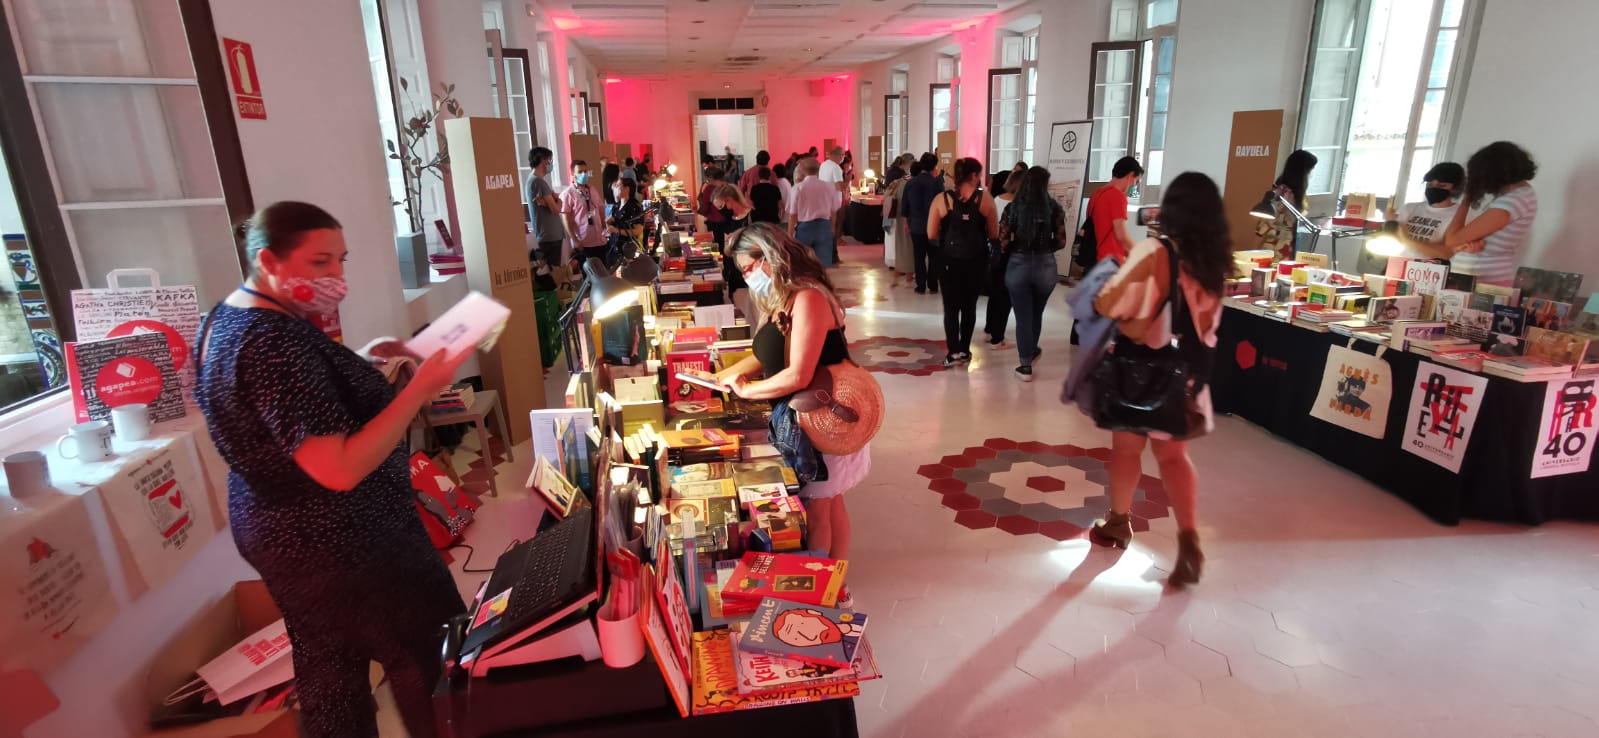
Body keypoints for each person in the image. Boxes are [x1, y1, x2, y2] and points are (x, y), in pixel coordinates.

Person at [195, 202, 470, 738]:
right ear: (268, 259)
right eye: (320, 262)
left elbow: (286, 410)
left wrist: (365, 364)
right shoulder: (272, 341)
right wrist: (418, 389)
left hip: (275, 530)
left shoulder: (231, 316)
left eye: (341, 260)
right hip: (340, 538)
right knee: (428, 649)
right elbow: (339, 468)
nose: (336, 277)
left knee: (328, 660)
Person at [713, 223, 869, 604]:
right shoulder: (785, 296)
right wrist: (722, 376)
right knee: (829, 505)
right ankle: (835, 582)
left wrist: (748, 390)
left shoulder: (809, 299)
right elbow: (766, 353)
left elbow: (798, 373)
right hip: (807, 422)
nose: (748, 278)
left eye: (749, 269)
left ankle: (826, 592)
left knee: (820, 513)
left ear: (768, 258)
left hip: (825, 424)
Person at [1089, 172, 1230, 587]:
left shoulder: (1155, 252)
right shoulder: (1214, 261)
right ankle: (1188, 541)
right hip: (1187, 371)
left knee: (1127, 451)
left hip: (1141, 370)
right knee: (1174, 458)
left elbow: (1111, 302)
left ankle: (1117, 522)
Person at [927, 157, 999, 367]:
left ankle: (953, 352)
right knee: (969, 307)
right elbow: (993, 233)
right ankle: (966, 350)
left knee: (950, 308)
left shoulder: (942, 199)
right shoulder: (985, 199)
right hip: (976, 261)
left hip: (948, 261)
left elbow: (931, 233)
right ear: (975, 176)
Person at [1000, 166, 1069, 382]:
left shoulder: (1012, 209)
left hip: (1018, 264)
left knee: (1022, 316)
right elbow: (1061, 241)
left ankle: (1025, 365)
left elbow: (1002, 241)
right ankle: (1031, 349)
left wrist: (1014, 249)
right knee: (1036, 313)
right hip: (1045, 265)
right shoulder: (1054, 209)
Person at [1444, 141, 1539, 286]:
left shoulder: (1511, 201)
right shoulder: (1516, 195)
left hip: (1485, 281)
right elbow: (1456, 242)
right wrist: (1460, 246)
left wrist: (1467, 199)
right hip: (1477, 276)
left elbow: (1452, 239)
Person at [1387, 162, 1466, 259]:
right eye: (1430, 184)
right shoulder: (1408, 208)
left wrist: (1407, 240)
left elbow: (1445, 252)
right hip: (1397, 263)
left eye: (1441, 185)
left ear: (1455, 188)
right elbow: (1392, 238)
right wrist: (1390, 223)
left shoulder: (1461, 214)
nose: (1434, 188)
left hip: (1429, 269)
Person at [1257, 149, 1318, 260]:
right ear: (1303, 172)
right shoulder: (1283, 194)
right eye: (1310, 171)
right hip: (1278, 251)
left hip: (1285, 248)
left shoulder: (1293, 194)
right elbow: (1262, 228)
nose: (1311, 175)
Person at [901, 153, 944, 293]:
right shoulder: (937, 183)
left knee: (918, 256)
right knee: (934, 257)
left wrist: (906, 223)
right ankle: (933, 285)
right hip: (934, 226)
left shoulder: (911, 183)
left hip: (916, 224)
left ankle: (920, 285)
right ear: (934, 166)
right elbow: (941, 205)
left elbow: (905, 206)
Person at [1088, 156, 1144, 263]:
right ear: (1131, 175)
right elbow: (1121, 234)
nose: (1135, 185)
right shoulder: (1118, 196)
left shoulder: (1097, 193)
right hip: (1110, 261)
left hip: (1093, 257)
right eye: (1136, 181)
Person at [713, 183, 756, 319]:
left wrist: (738, 235)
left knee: (753, 310)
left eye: (721, 206)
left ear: (729, 200)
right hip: (733, 271)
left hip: (751, 269)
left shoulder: (753, 216)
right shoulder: (726, 221)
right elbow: (725, 250)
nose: (720, 210)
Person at [983, 170, 1016, 351]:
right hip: (1008, 252)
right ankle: (998, 336)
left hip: (994, 249)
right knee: (1004, 295)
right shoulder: (1016, 204)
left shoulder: (995, 200)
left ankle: (990, 329)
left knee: (995, 292)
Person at [787, 158, 839, 267]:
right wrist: (833, 227)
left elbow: (793, 214)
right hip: (824, 226)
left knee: (804, 263)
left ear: (802, 170)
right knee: (823, 264)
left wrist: (790, 233)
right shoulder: (829, 186)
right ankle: (822, 283)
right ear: (818, 170)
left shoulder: (798, 188)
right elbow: (834, 210)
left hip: (804, 228)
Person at [562, 159, 609, 265]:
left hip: (599, 239)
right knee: (589, 274)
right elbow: (566, 219)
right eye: (580, 172)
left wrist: (604, 227)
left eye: (585, 171)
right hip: (583, 241)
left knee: (604, 270)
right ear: (573, 174)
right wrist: (574, 239)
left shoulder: (592, 189)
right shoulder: (568, 194)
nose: (583, 174)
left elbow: (600, 209)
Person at [526, 146, 565, 266]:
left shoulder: (534, 181)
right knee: (553, 273)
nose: (551, 164)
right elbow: (556, 208)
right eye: (550, 160)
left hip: (549, 235)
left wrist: (552, 199)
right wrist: (559, 200)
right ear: (544, 160)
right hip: (550, 236)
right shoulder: (538, 182)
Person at [883, 159, 917, 281]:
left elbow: (887, 195)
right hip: (911, 219)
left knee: (901, 245)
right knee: (910, 247)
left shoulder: (899, 182)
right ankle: (909, 273)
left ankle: (900, 270)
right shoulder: (911, 183)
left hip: (898, 218)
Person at [607, 177, 645, 266]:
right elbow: (611, 220)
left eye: (618, 186)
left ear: (627, 189)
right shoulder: (617, 205)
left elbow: (638, 231)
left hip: (627, 249)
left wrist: (617, 231)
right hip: (614, 246)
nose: (615, 188)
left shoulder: (635, 207)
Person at [698, 165, 730, 244]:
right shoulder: (727, 187)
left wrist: (701, 213)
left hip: (714, 221)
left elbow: (705, 206)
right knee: (725, 243)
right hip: (727, 220)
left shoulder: (709, 189)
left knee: (715, 244)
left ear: (710, 177)